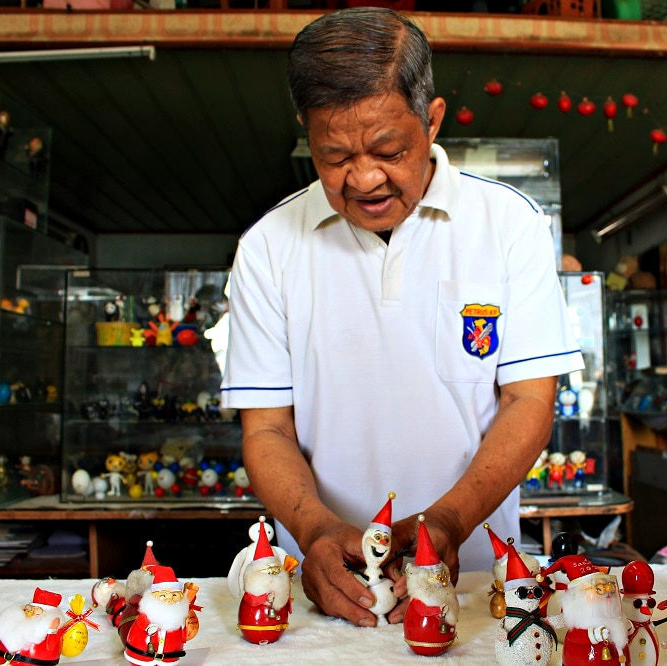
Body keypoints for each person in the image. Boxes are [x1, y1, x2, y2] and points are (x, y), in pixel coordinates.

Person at [220, 7, 581, 628]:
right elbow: (268, 430)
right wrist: (314, 529)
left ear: (432, 120)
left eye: (388, 150)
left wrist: (448, 523)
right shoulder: (268, 247)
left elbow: (529, 401)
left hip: (473, 580)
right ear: (306, 134)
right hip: (324, 585)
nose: (363, 178)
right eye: (333, 157)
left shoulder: (507, 225)